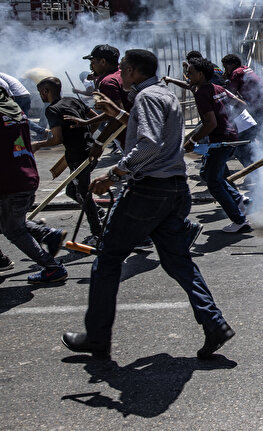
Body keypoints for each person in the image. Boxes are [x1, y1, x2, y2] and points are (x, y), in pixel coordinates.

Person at [62, 49, 234, 361]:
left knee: (108, 258)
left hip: (149, 189)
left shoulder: (147, 97)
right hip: (172, 188)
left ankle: (97, 337)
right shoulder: (164, 94)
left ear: (130, 70)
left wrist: (115, 173)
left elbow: (149, 143)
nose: (121, 72)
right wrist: (113, 112)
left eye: (123, 68)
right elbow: (146, 133)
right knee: (178, 261)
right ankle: (214, 323)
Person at [165, 58, 250, 234]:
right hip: (229, 137)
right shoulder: (217, 88)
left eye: (190, 72)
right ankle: (240, 200)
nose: (187, 75)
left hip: (220, 141)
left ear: (201, 74)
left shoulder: (202, 93)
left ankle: (239, 220)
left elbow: (210, 123)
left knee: (213, 182)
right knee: (207, 173)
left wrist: (193, 141)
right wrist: (227, 122)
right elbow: (241, 105)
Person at [0, 86, 68, 284]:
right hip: (24, 175)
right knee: (9, 221)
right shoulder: (14, 110)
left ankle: (52, 267)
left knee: (13, 230)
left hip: (8, 181)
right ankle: (47, 234)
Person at [32, 77, 105, 243]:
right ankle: (97, 211)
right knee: (72, 191)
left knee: (83, 193)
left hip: (78, 157)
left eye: (40, 92)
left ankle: (98, 234)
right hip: (90, 152)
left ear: (46, 91)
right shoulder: (73, 100)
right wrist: (87, 136)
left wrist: (38, 145)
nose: (41, 96)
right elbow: (94, 118)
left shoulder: (52, 109)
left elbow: (57, 139)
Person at [221, 53, 263, 168]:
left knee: (242, 143)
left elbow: (230, 94)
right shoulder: (246, 69)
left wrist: (226, 79)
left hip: (256, 109)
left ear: (233, 65)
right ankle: (260, 167)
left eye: (226, 67)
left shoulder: (236, 73)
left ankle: (254, 171)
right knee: (261, 139)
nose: (225, 70)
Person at [0, 71, 48, 138]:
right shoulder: (2, 75)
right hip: (23, 95)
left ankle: (42, 131)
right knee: (22, 120)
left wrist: (10, 100)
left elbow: (5, 86)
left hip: (18, 97)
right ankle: (37, 133)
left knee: (19, 119)